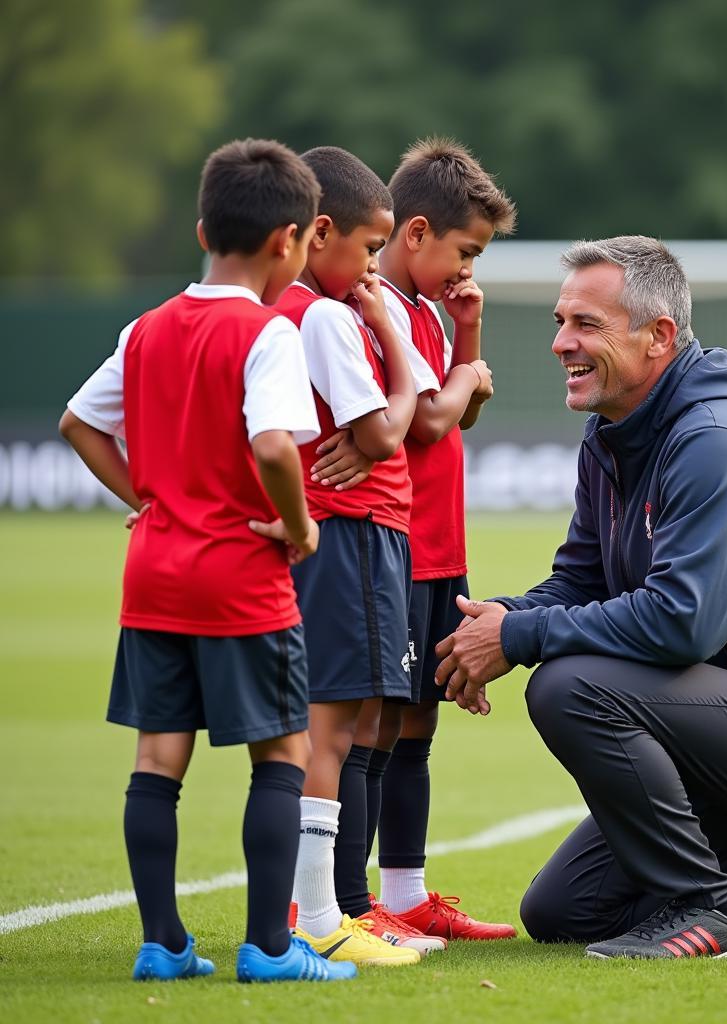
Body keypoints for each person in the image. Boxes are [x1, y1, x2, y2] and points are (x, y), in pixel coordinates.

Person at [436, 235, 727, 960]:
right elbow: (580, 583)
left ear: (660, 336)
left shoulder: (721, 441)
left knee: (570, 686)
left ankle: (712, 912)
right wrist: (487, 621)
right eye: (560, 323)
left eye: (586, 325)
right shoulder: (612, 436)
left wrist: (521, 640)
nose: (562, 342)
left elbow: (684, 624)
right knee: (566, 909)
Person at [58, 138, 356, 983]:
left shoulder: (147, 327)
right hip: (238, 576)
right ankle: (268, 951)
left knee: (158, 759)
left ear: (201, 228)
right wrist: (297, 525)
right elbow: (271, 444)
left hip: (153, 574)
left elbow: (78, 424)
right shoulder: (266, 334)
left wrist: (146, 499)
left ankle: (164, 944)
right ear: (290, 242)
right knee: (282, 755)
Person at [312, 137, 517, 940]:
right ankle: (349, 903)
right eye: (464, 253)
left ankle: (404, 894)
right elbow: (430, 418)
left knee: (417, 722)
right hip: (391, 545)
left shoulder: (429, 312)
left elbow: (457, 408)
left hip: (438, 548)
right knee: (372, 723)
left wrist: (465, 336)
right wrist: (467, 375)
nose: (468, 271)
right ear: (416, 232)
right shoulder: (378, 308)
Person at [274, 146, 429, 965]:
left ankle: (330, 908)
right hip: (353, 531)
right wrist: (389, 336)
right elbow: (384, 431)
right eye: (370, 249)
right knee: (333, 730)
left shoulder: (302, 311)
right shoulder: (330, 315)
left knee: (357, 720)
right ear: (320, 232)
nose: (375, 267)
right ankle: (319, 917)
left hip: (361, 532)